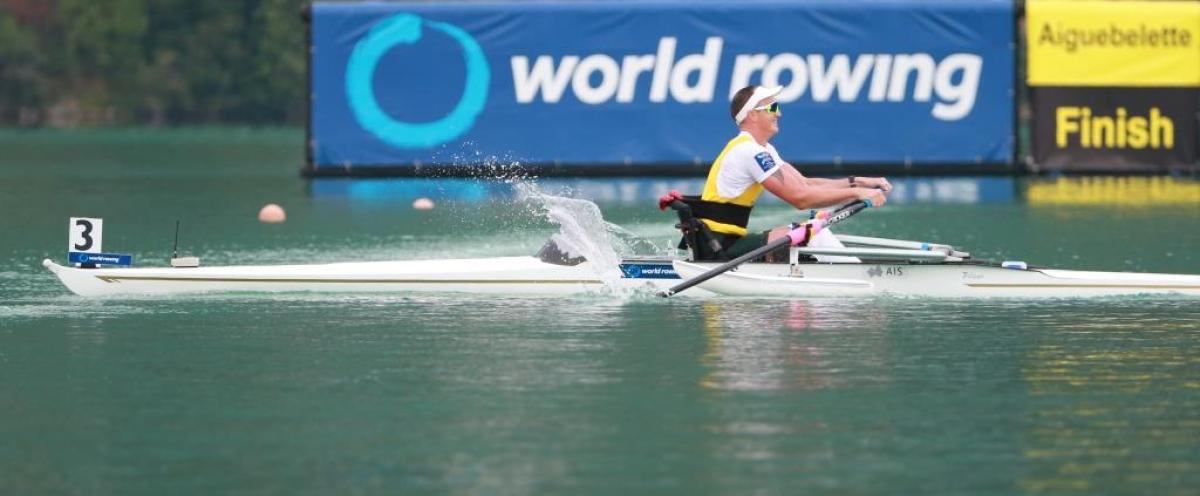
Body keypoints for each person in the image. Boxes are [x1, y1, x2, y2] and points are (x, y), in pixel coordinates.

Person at [672, 85, 891, 262]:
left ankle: (851, 273)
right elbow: (801, 199)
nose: (779, 113)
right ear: (752, 115)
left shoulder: (763, 149)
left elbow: (805, 184)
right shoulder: (748, 151)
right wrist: (858, 194)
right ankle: (860, 276)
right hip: (719, 246)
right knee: (815, 233)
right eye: (772, 107)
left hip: (726, 241)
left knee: (813, 232)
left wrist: (857, 183)